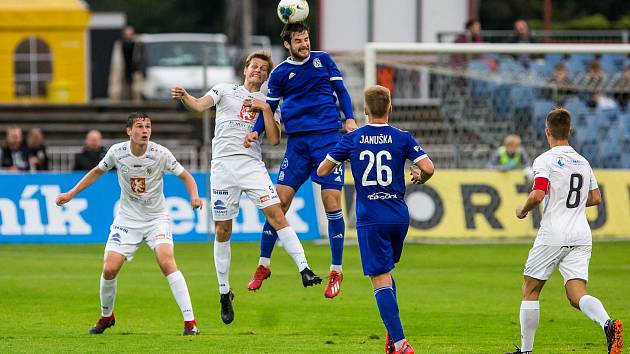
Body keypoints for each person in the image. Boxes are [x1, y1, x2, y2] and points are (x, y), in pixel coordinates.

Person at [171, 50, 321, 324]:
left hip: (251, 166)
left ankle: (305, 269)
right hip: (223, 168)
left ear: (267, 76)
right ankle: (224, 292)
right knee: (222, 230)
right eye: (255, 66)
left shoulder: (268, 101)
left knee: (276, 214)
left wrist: (265, 108)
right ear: (245, 70)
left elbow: (274, 140)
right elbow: (200, 105)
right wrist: (185, 97)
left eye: (264, 69)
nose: (258, 71)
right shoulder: (224, 89)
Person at [55, 112, 201, 336]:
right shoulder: (117, 152)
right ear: (129, 131)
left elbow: (187, 176)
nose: (145, 131)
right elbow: (96, 172)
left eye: (148, 126)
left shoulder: (161, 153)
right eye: (140, 126)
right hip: (127, 220)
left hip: (156, 219)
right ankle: (107, 316)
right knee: (109, 268)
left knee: (166, 261)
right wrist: (71, 193)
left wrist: (194, 195)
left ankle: (190, 323)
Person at [317, 85, 434, 354]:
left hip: (371, 217)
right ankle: (392, 338)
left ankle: (402, 343)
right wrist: (419, 178)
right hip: (398, 216)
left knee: (379, 278)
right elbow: (428, 168)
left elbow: (323, 170)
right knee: (387, 271)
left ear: (365, 110)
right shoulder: (403, 137)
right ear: (390, 108)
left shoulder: (353, 139)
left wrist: (343, 160)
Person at [243, 22, 357, 298]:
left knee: (331, 202)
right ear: (288, 45)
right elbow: (268, 107)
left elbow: (341, 93)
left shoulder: (323, 60)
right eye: (299, 41)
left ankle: (336, 270)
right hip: (298, 145)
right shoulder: (281, 72)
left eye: (306, 39)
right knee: (278, 203)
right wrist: (254, 131)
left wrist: (350, 118)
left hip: (328, 140)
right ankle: (263, 265)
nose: (304, 44)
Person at [506, 108, 623, 354]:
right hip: (581, 233)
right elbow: (596, 197)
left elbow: (538, 194)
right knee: (576, 294)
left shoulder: (545, 160)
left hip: (554, 232)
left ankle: (526, 352)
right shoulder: (583, 161)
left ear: (547, 131)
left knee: (530, 290)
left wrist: (523, 209)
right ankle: (608, 323)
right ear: (570, 131)